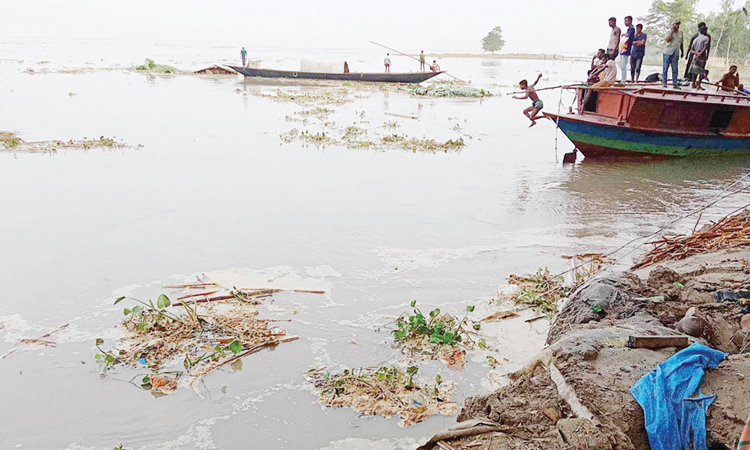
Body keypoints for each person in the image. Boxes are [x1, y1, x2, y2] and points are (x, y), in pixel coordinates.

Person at [662, 20, 683, 89]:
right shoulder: (668, 32)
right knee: (665, 68)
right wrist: (672, 32)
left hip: (675, 53)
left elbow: (681, 43)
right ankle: (664, 82)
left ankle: (675, 83)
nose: (677, 26)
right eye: (676, 24)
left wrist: (682, 51)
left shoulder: (680, 33)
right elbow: (667, 40)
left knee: (675, 69)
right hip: (668, 52)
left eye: (678, 24)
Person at [688, 26, 709, 90]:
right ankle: (699, 84)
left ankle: (693, 83)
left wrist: (696, 53)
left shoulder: (695, 39)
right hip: (701, 56)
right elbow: (705, 47)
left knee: (694, 71)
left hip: (695, 55)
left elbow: (691, 50)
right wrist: (700, 54)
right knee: (701, 71)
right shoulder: (706, 38)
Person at [620, 16, 635, 81]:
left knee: (623, 65)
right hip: (624, 48)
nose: (625, 23)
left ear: (630, 21)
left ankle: (623, 80)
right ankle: (622, 79)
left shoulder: (632, 29)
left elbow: (628, 35)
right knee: (622, 65)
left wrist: (624, 34)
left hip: (626, 49)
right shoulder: (629, 29)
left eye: (626, 21)